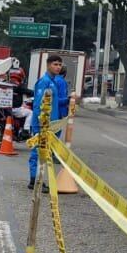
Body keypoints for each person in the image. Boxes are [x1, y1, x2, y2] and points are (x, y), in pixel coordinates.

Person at [29, 55, 72, 189]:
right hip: (42, 124)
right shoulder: (44, 82)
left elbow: (54, 102)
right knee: (38, 152)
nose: (58, 67)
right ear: (48, 65)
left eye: (60, 65)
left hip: (51, 125)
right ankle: (34, 181)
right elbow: (37, 105)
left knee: (45, 152)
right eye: (55, 64)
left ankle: (38, 181)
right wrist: (41, 124)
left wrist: (67, 100)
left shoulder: (53, 82)